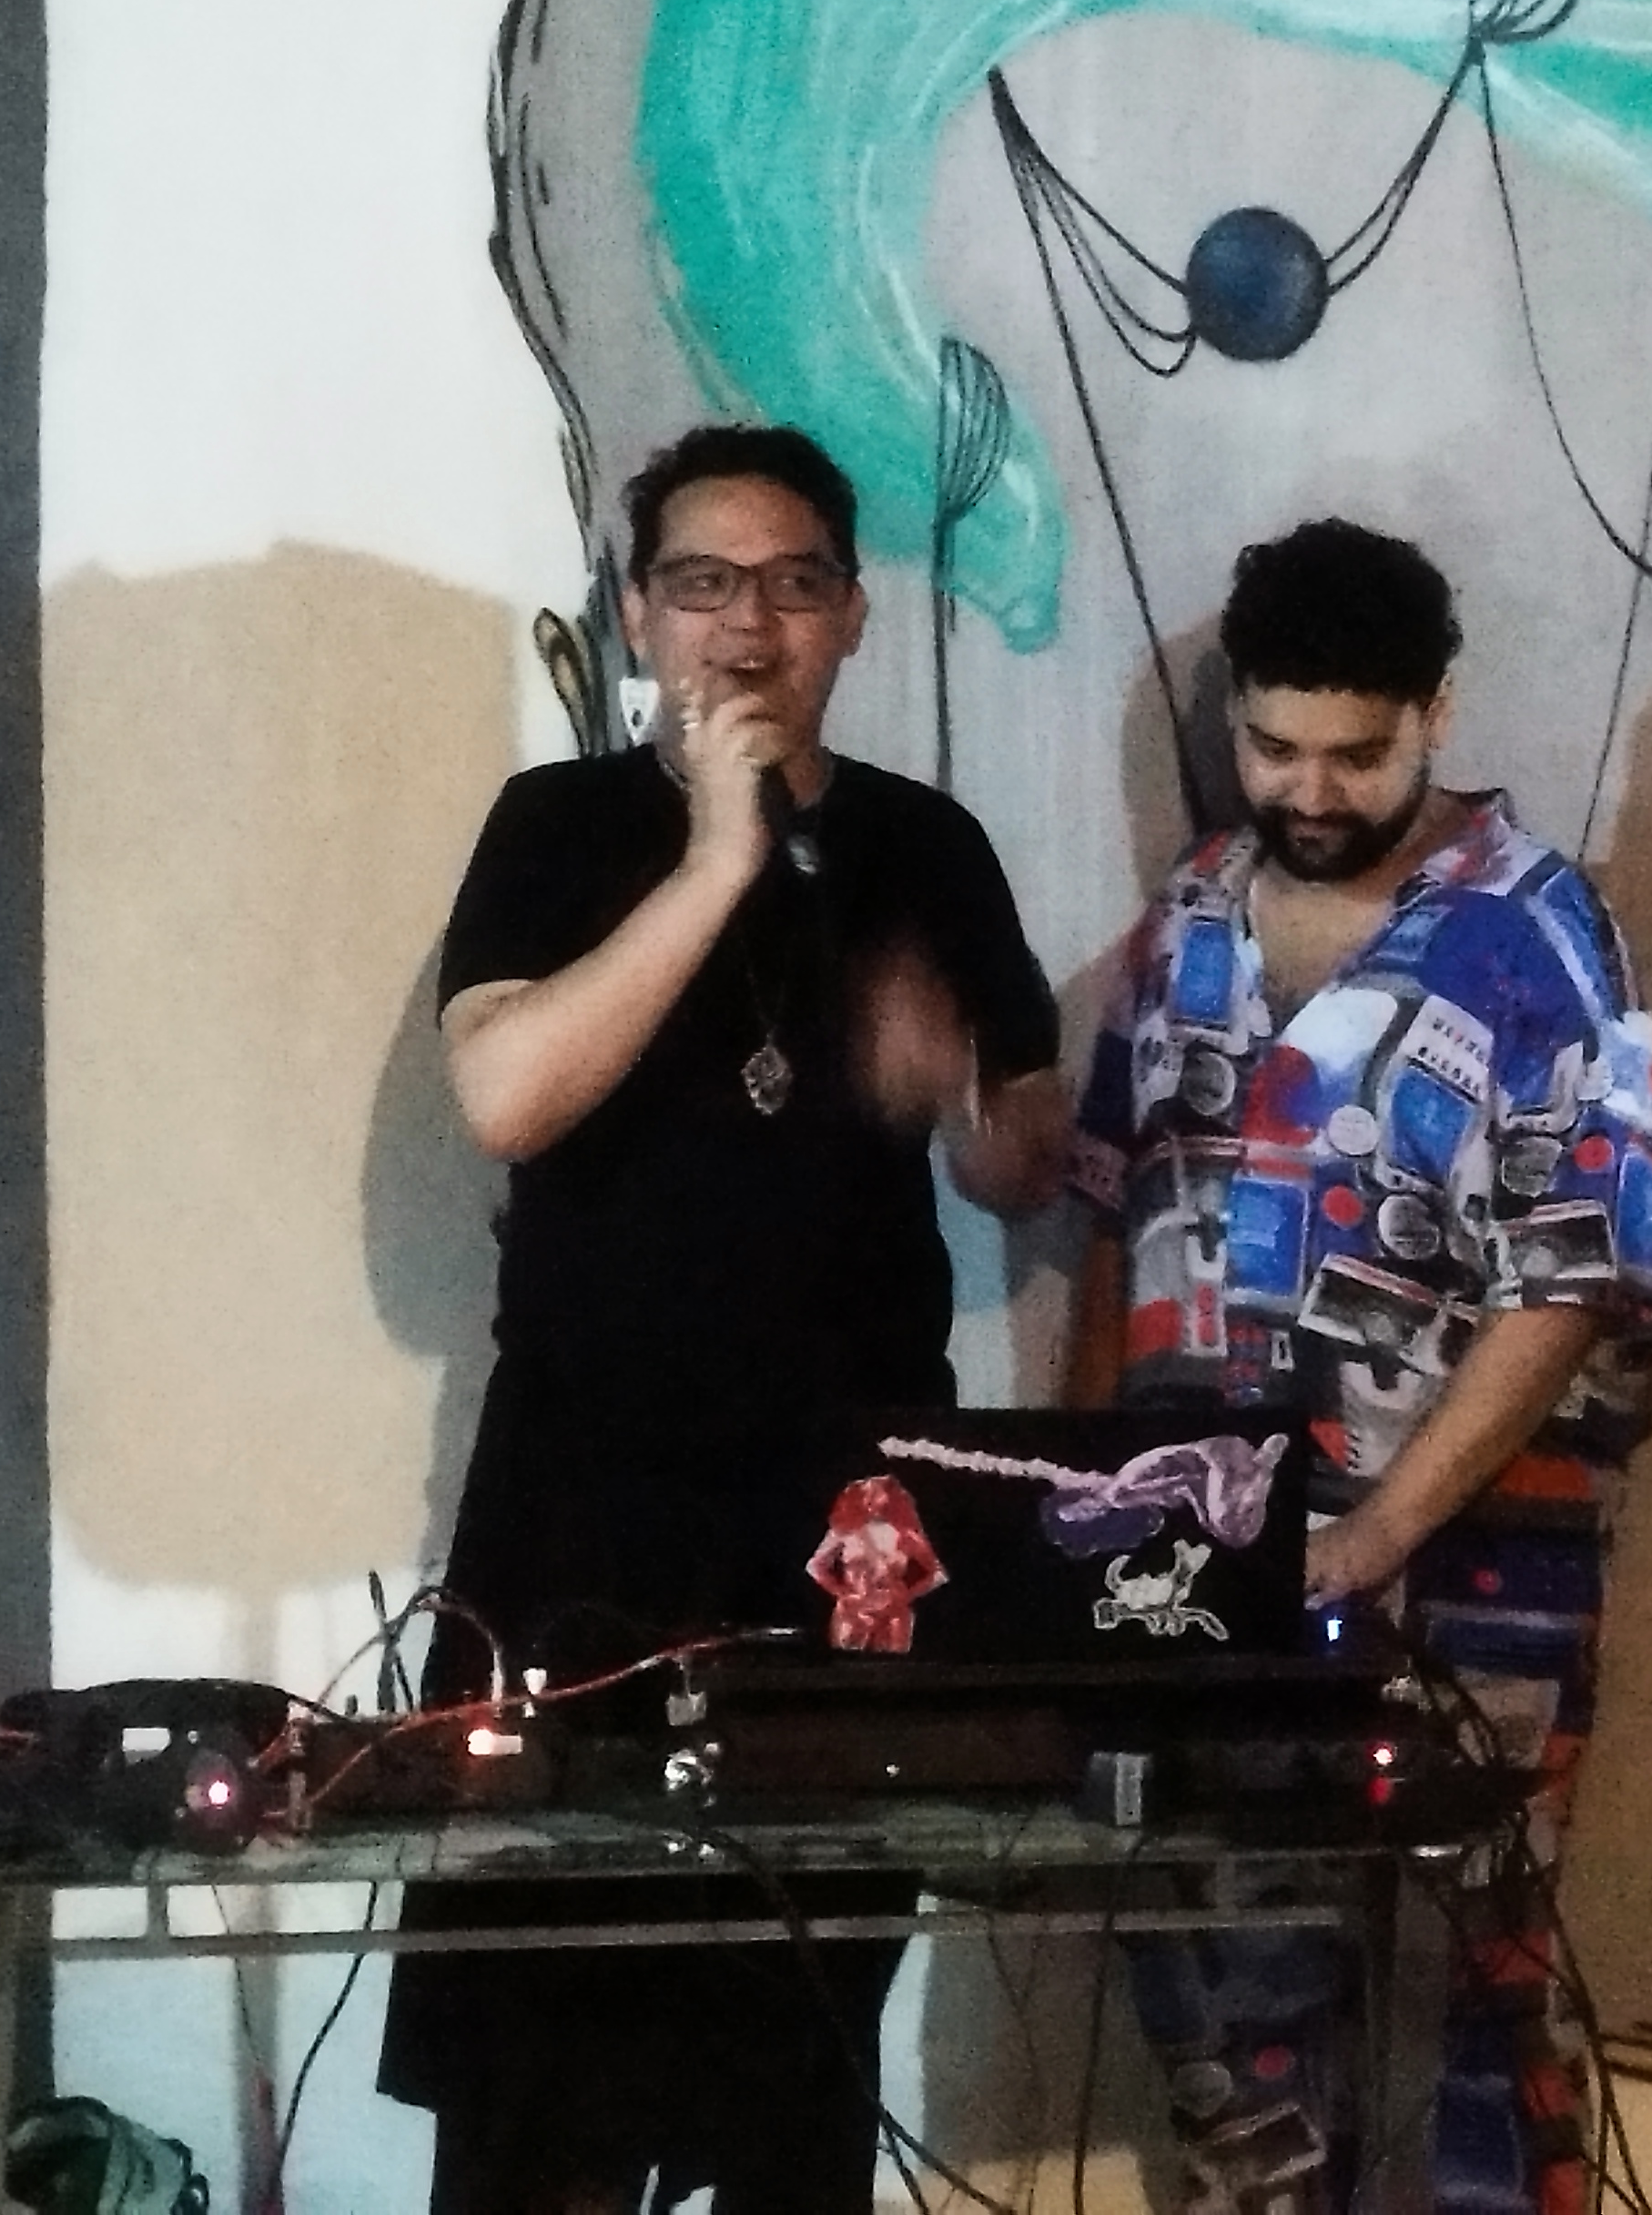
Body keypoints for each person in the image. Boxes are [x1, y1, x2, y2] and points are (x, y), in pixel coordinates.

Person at [375, 424, 1069, 2215]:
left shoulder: (926, 846)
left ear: (851, 613)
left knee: (795, 2073)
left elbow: (1025, 1163)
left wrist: (958, 1089)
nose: (746, 626)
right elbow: (507, 1098)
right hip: (580, 1513)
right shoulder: (558, 827)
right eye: (701, 583)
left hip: (850, 1524)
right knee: (534, 2081)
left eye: (791, 584)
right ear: (634, 614)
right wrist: (712, 859)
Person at [1070, 519, 1652, 2215]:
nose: (1313, 790)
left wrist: (1385, 1529)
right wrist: (1079, 1506)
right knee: (1227, 2023)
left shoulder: (1538, 934)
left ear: (1435, 715)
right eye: (1276, 748)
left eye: (1358, 753)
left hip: (1473, 1571)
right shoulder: (1190, 915)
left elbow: (1577, 1276)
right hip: (1202, 1564)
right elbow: (1115, 1218)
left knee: (1470, 2009)